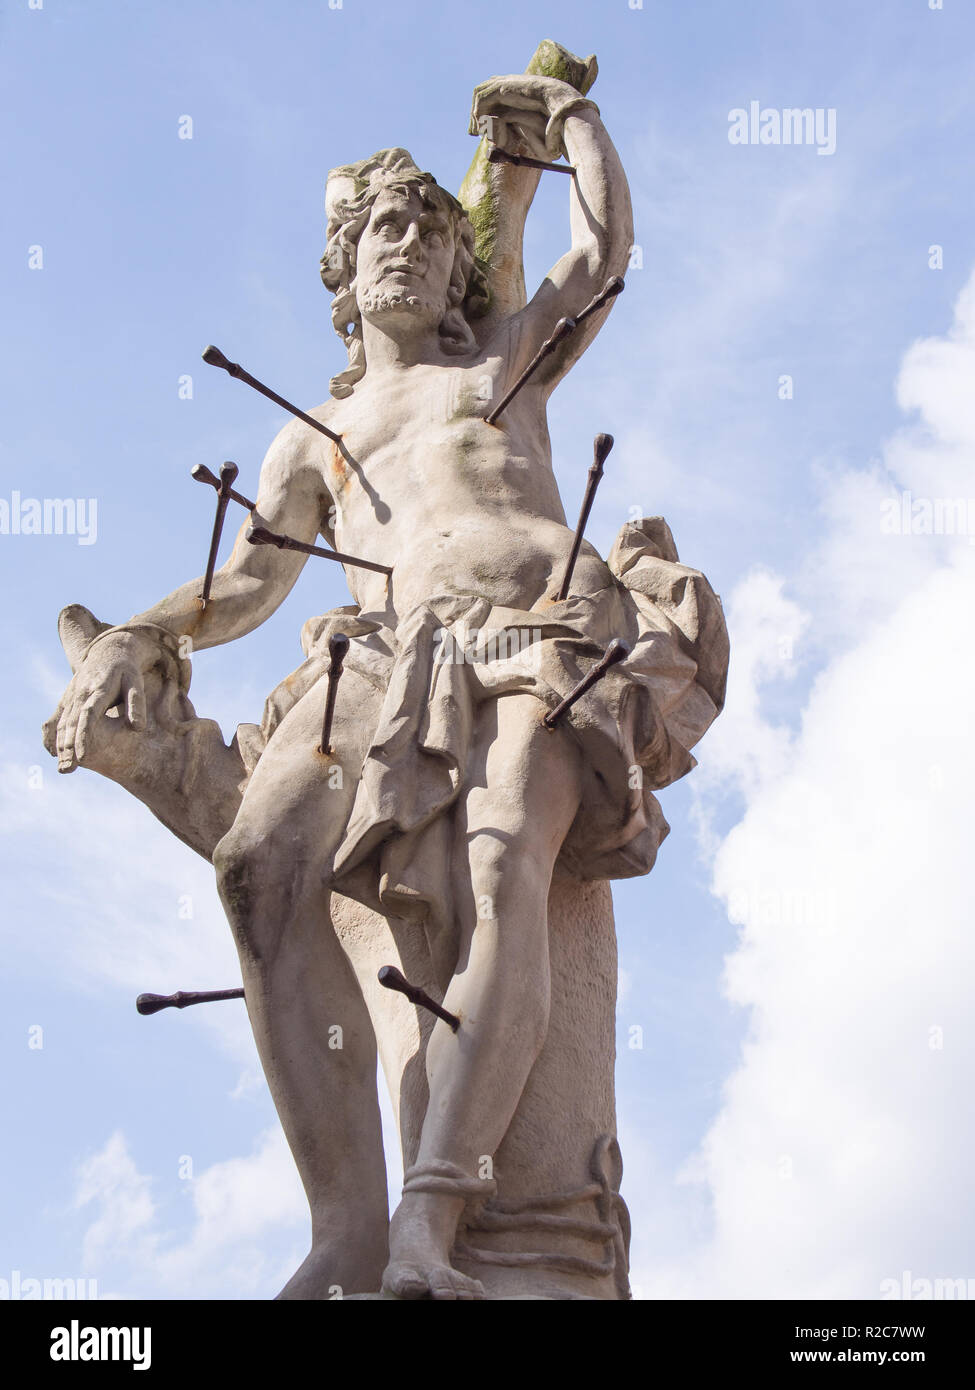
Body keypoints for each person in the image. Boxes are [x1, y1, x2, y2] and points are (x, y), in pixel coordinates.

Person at [44, 74, 727, 1299]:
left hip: (533, 642)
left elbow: (607, 254)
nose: (408, 244)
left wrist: (568, 123)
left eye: (426, 227)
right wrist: (131, 634)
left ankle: (439, 1205)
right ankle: (347, 1222)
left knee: (501, 860)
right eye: (381, 231)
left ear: (457, 268)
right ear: (343, 273)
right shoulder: (314, 430)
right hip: (384, 658)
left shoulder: (502, 359)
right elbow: (248, 585)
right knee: (257, 867)